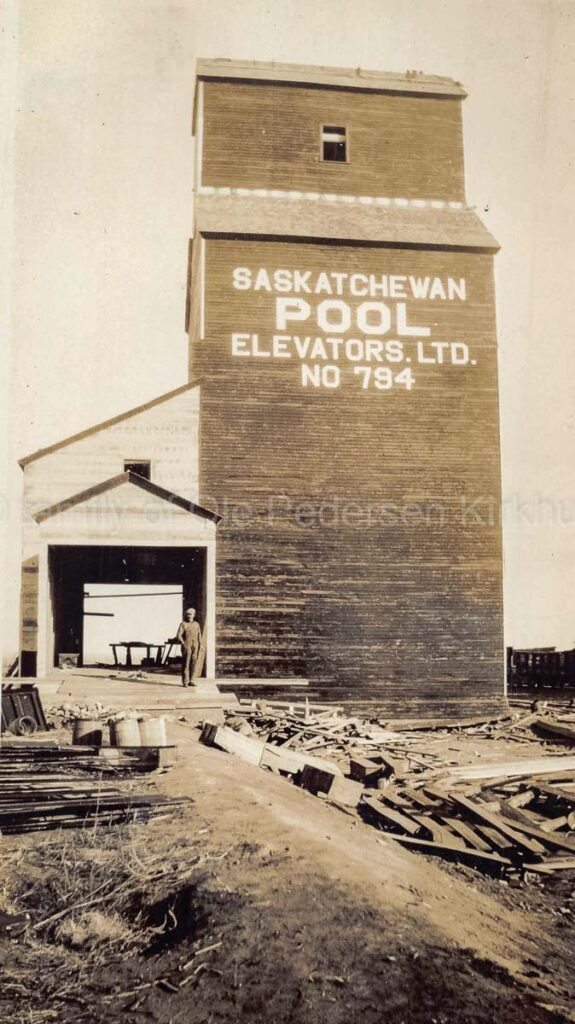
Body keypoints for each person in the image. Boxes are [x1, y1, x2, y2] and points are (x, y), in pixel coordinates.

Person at [176, 608, 202, 687]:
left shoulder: (197, 624)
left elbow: (199, 636)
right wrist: (183, 643)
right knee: (186, 664)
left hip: (195, 646)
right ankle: (185, 682)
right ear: (186, 615)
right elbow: (178, 635)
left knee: (193, 663)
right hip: (187, 646)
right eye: (188, 614)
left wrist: (200, 645)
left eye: (191, 614)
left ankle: (192, 680)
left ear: (194, 615)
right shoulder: (183, 624)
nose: (189, 616)